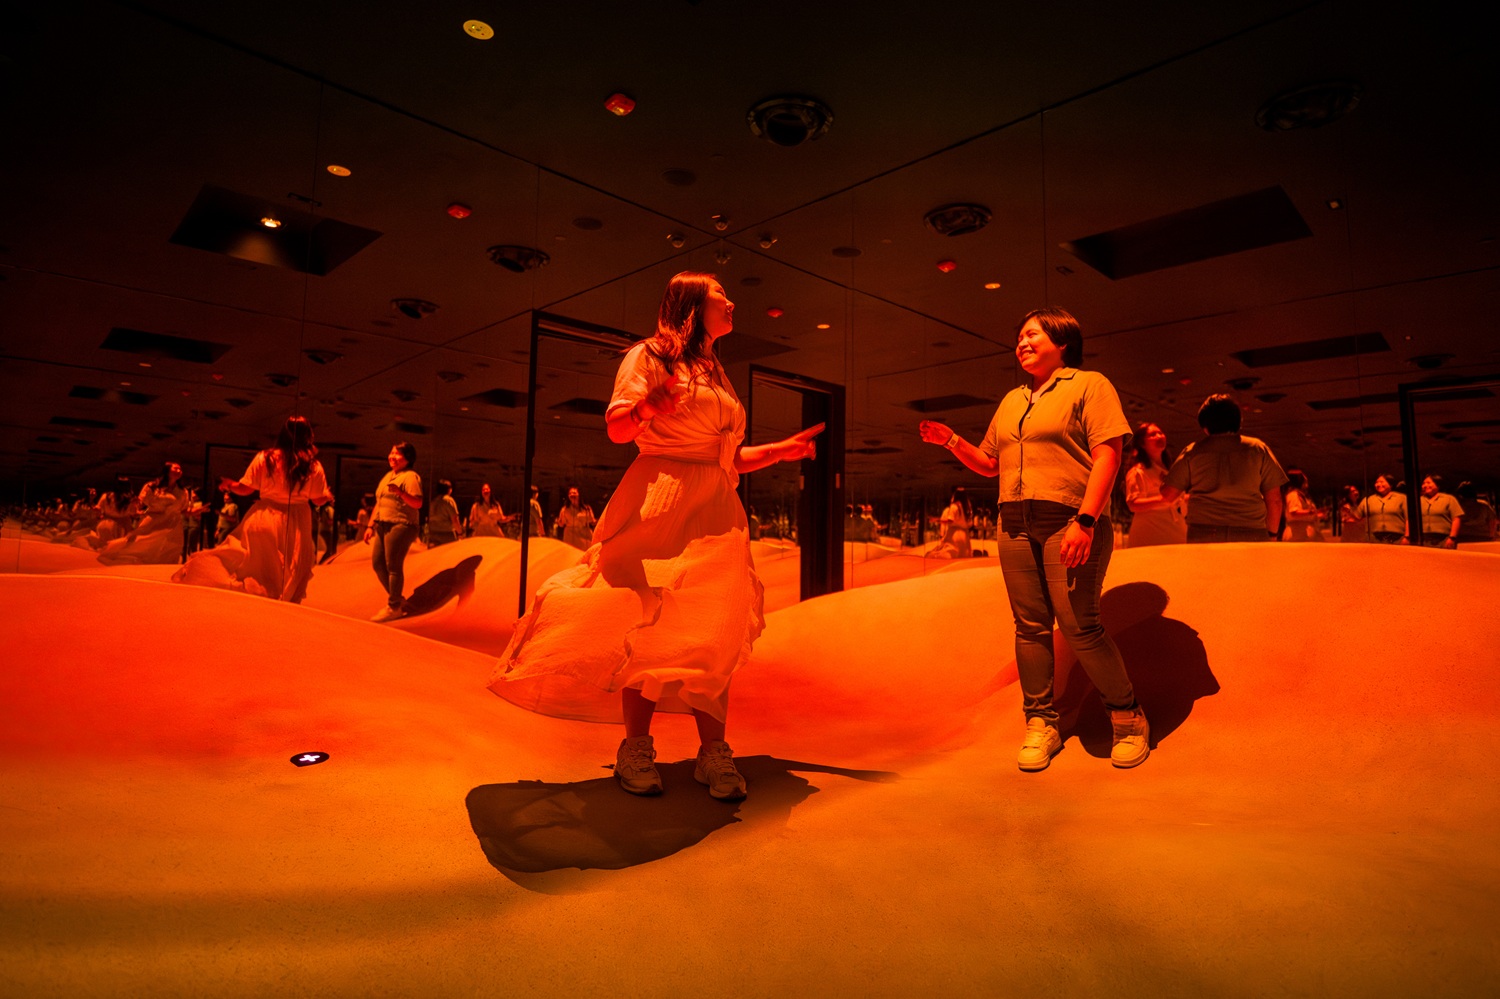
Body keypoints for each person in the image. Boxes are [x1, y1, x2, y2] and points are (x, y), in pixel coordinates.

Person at [492, 271, 822, 801]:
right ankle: (635, 748)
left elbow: (727, 456)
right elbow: (620, 427)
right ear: (692, 304)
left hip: (716, 510)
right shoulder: (649, 356)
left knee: (713, 627)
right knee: (646, 617)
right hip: (661, 497)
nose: (732, 301)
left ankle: (713, 753)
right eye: (721, 295)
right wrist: (649, 408)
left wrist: (780, 451)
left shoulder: (715, 369)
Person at [919, 306, 1148, 772]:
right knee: (1030, 627)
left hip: (1069, 517)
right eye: (1019, 336)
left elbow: (1109, 454)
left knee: (1080, 624)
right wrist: (950, 441)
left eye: (1032, 334)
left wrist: (1085, 520)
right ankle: (1040, 722)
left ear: (1062, 341)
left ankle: (1127, 716)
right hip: (1014, 521)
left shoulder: (1089, 385)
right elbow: (988, 464)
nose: (1021, 343)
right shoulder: (1012, 400)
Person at [173, 416, 334, 602]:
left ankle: (252, 601)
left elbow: (245, 489)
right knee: (293, 567)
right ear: (308, 436)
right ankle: (284, 606)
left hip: (265, 516)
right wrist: (327, 495)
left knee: (255, 565)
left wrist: (230, 485)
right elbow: (319, 500)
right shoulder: (313, 466)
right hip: (297, 519)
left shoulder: (265, 458)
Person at [1160, 394, 1287, 543]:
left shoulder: (1193, 451)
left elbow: (1168, 495)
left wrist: (1163, 481)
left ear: (1205, 426)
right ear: (1238, 421)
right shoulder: (1257, 449)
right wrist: (1272, 534)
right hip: (1250, 531)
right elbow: (1275, 501)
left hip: (1204, 532)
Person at [364, 441, 423, 622]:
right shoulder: (388, 476)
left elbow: (418, 503)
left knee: (393, 566)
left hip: (402, 524)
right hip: (383, 524)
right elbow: (380, 502)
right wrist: (370, 525)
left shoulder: (411, 477)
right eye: (391, 453)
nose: (392, 456)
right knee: (377, 563)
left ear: (407, 458)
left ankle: (394, 606)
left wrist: (401, 493)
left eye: (397, 454)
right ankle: (397, 599)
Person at [97, 461, 189, 565]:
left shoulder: (183, 492)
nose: (179, 471)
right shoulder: (152, 487)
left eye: (180, 469)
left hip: (173, 525)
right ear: (167, 471)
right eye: (175, 468)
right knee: (142, 546)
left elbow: (184, 510)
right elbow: (141, 503)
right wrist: (136, 505)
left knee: (170, 550)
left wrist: (197, 511)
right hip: (154, 523)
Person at [1123, 422, 1187, 547]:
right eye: (1153, 434)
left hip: (1174, 527)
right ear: (1142, 443)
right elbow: (1133, 504)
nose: (1159, 436)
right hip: (1150, 530)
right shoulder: (1138, 472)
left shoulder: (1170, 470)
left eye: (1160, 433)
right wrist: (1164, 499)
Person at [1350, 474, 1407, 543]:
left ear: (1390, 484)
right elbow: (1356, 517)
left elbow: (1408, 519)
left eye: (1382, 482)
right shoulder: (1368, 500)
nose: (1378, 484)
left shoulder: (1402, 498)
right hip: (1374, 539)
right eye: (1377, 482)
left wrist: (1407, 537)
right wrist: (1351, 506)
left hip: (1398, 538)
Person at [1417, 474, 1463, 548]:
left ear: (1437, 485)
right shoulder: (1418, 501)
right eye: (1423, 483)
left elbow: (1456, 518)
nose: (1425, 485)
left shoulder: (1449, 499)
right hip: (1424, 539)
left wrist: (1452, 537)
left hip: (1444, 539)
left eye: (1428, 483)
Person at [1280, 469, 1325, 542]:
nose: (1306, 484)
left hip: (1303, 533)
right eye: (1305, 481)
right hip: (1297, 534)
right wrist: (1311, 512)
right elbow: (1294, 512)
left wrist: (1317, 515)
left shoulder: (1301, 495)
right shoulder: (1293, 495)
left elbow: (1303, 516)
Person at [931, 487, 973, 558]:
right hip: (965, 535)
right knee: (963, 557)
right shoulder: (967, 507)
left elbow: (950, 520)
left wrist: (937, 520)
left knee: (951, 555)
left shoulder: (954, 506)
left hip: (954, 535)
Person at [428, 479, 463, 547]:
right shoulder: (449, 500)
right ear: (449, 489)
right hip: (447, 534)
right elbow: (455, 519)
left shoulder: (433, 502)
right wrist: (460, 533)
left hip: (433, 534)